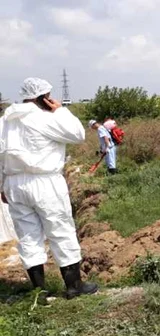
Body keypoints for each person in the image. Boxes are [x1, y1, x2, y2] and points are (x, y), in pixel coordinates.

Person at [0, 77, 98, 303]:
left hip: (15, 183)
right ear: (43, 97)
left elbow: (1, 155)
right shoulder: (45, 118)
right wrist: (61, 111)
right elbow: (78, 134)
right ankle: (74, 286)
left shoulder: (5, 121)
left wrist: (2, 184)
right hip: (45, 182)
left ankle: (39, 293)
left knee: (28, 236)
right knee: (60, 230)